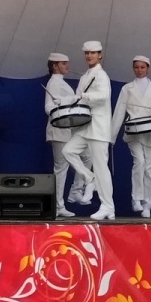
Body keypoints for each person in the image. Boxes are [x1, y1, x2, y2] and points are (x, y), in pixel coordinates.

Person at [63, 41, 116, 221]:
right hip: (85, 126)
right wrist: (63, 102)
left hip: (99, 127)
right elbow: (78, 98)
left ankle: (108, 206)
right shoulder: (85, 75)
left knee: (102, 168)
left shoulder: (102, 75)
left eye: (93, 53)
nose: (89, 56)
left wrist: (84, 96)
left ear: (100, 55)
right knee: (68, 151)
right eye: (87, 53)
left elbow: (103, 97)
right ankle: (89, 178)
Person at [111, 54, 151, 217]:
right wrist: (112, 137)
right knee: (139, 162)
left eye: (142, 67)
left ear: (148, 69)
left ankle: (146, 204)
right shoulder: (127, 88)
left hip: (150, 132)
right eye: (136, 67)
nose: (139, 70)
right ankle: (136, 198)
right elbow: (119, 112)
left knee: (149, 169)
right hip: (134, 131)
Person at [43, 52, 86, 215]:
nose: (67, 67)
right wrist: (66, 103)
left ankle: (71, 194)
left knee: (81, 159)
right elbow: (48, 108)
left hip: (67, 130)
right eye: (64, 64)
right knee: (61, 168)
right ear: (55, 66)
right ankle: (58, 206)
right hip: (58, 130)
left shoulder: (60, 83)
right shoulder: (54, 82)